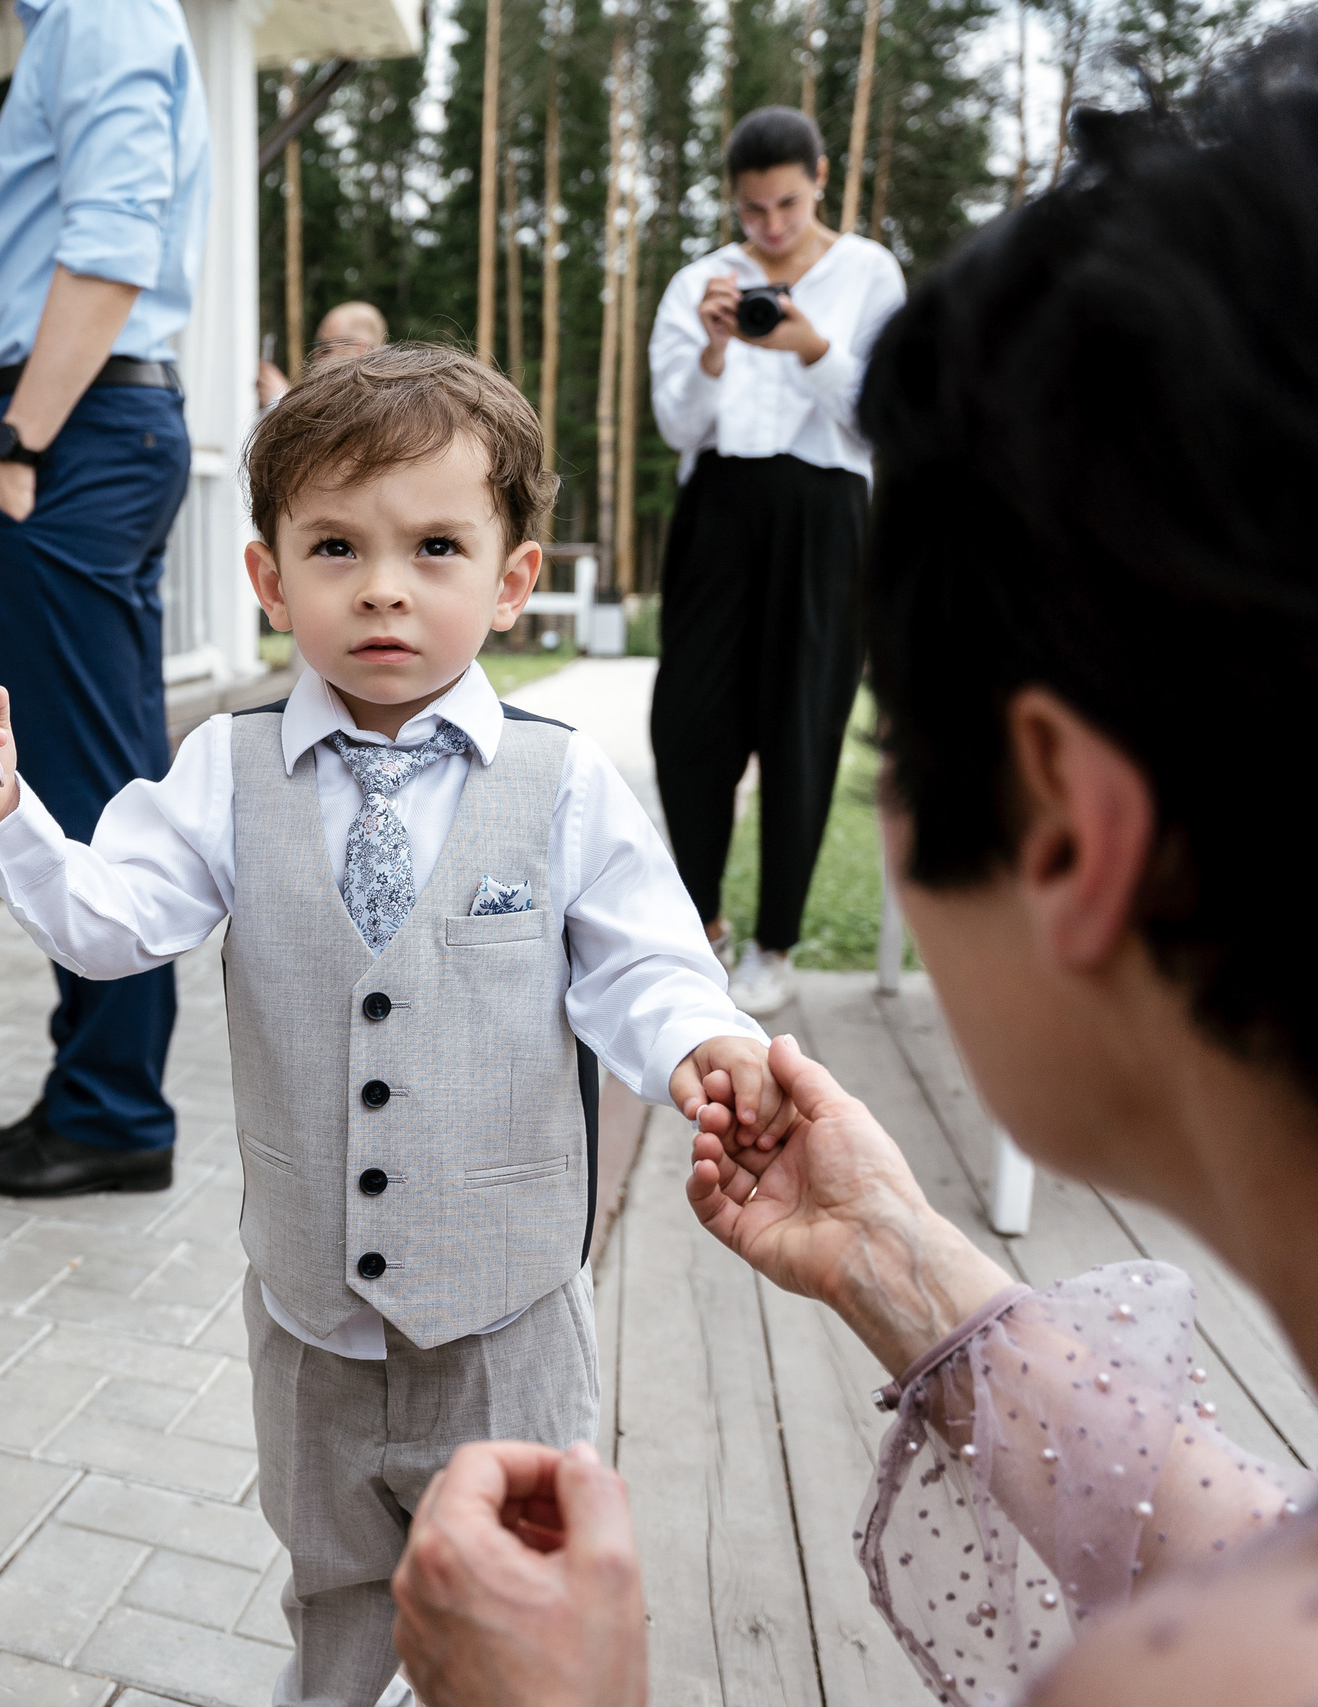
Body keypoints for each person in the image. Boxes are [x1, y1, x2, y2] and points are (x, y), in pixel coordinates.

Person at [389, 27, 1318, 1704]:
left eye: (907, 732)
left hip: (801, 505)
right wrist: (902, 1253)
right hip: (726, 509)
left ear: (1066, 826)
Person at [0, 344, 775, 1706]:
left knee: (521, 1603)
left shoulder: (562, 784)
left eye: (435, 544)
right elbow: (107, 922)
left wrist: (703, 1041)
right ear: (270, 579)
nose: (383, 584)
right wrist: (1, 814)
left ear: (512, 580)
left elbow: (646, 964)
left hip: (506, 1320)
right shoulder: (226, 767)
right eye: (336, 545)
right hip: (311, 1318)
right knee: (332, 1589)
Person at [0, 0, 213, 1195]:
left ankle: (112, 1106)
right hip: (91, 429)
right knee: (108, 774)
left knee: (79, 775)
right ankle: (97, 1086)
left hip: (68, 433)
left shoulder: (98, 11)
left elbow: (118, 242)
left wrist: (20, 438)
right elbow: (95, 223)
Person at [645, 106, 906, 1018]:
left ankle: (777, 942)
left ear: (820, 178)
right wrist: (718, 346)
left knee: (803, 726)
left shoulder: (868, 273)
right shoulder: (698, 281)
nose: (771, 228)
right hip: (717, 508)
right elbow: (676, 424)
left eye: (787, 204)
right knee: (688, 724)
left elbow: (881, 415)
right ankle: (702, 922)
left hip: (826, 512)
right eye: (753, 211)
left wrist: (812, 347)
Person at [259, 299, 391, 409]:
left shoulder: (371, 408)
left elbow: (320, 437)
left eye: (326, 349)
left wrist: (279, 401)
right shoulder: (386, 400)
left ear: (360, 350)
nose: (316, 359)